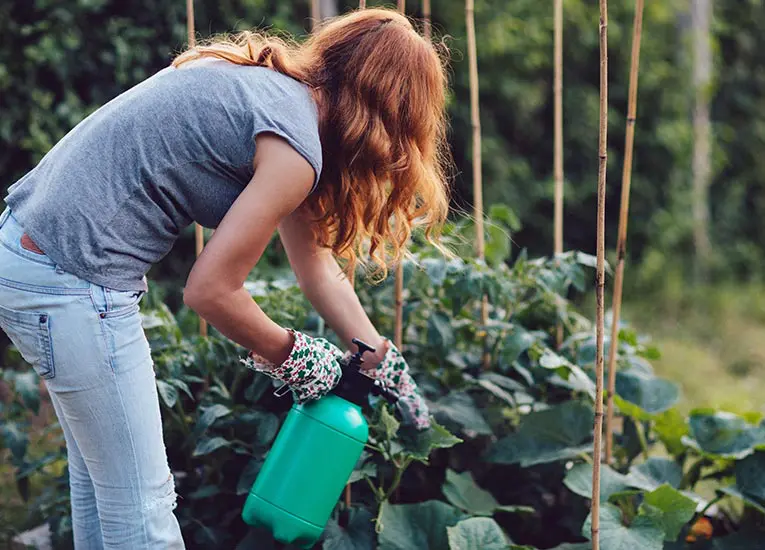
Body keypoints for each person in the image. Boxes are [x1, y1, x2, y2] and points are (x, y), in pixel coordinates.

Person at [0, 7, 451, 550]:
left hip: (28, 253)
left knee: (105, 495)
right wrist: (297, 355)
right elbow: (210, 291)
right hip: (71, 280)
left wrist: (378, 354)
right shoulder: (294, 147)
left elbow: (319, 270)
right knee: (143, 512)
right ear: (392, 118)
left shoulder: (276, 100)